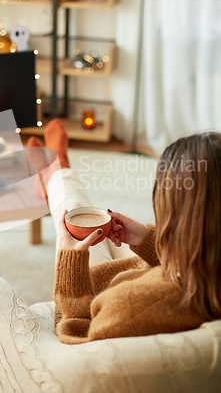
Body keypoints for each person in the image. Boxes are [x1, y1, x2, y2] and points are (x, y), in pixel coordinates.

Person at [27, 119, 221, 345]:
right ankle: (56, 172)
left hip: (96, 295)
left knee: (73, 215)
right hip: (165, 270)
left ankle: (55, 172)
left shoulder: (131, 306)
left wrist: (70, 262)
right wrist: (149, 239)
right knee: (93, 219)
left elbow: (79, 330)